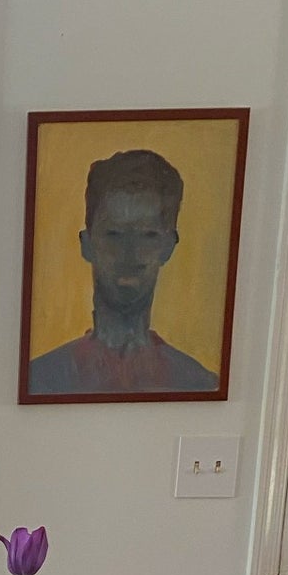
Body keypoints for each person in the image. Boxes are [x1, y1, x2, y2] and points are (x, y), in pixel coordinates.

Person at [27, 147, 218, 397]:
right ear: (87, 244)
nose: (130, 253)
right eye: (114, 234)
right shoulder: (41, 379)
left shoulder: (199, 383)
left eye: (147, 235)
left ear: (168, 246)